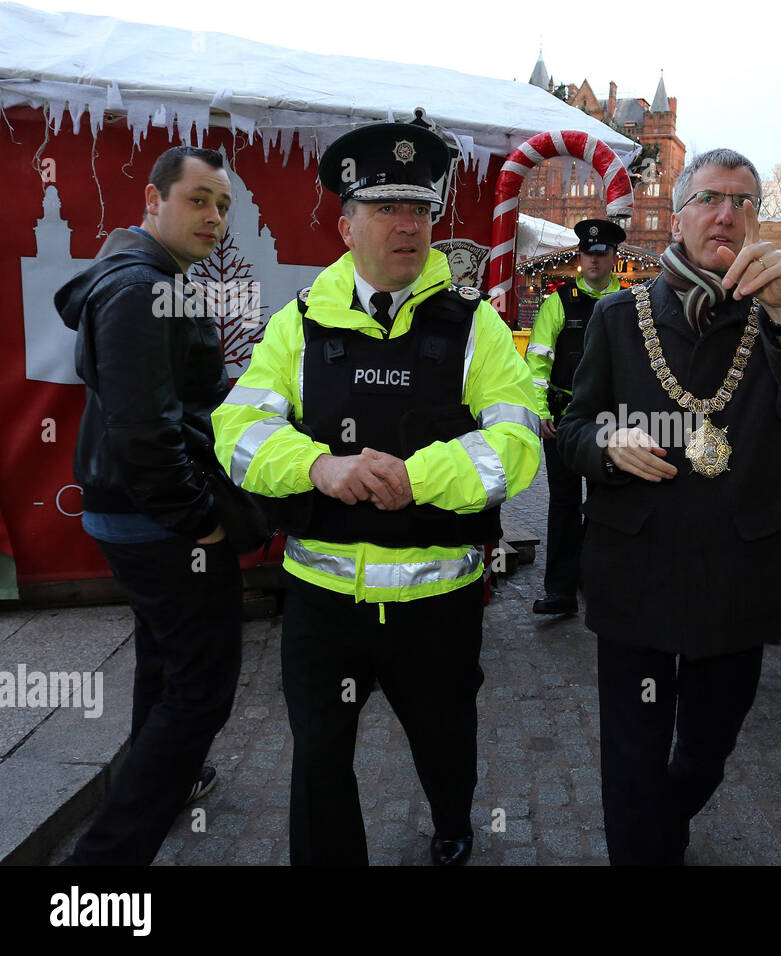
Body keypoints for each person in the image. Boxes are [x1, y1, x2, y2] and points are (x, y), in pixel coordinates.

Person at [212, 119, 541, 865]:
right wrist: (317, 466)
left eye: (421, 210)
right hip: (324, 608)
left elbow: (518, 445)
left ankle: (453, 823)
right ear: (345, 223)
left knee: (446, 741)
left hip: (439, 608)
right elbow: (236, 429)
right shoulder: (296, 326)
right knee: (319, 767)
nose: (409, 226)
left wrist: (416, 477)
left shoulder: (475, 327)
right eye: (388, 209)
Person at [557, 148, 781, 864]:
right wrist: (605, 443)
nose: (728, 213)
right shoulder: (621, 316)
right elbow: (570, 427)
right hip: (638, 562)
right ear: (679, 215)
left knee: (710, 746)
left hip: (742, 570)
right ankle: (642, 850)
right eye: (712, 198)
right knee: (633, 750)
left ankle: (666, 820)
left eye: (745, 201)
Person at [54, 146, 242, 865]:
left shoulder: (148, 278)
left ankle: (173, 775)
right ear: (153, 200)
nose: (214, 217)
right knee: (200, 691)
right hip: (156, 519)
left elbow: (167, 400)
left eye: (222, 205)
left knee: (165, 663)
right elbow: (145, 431)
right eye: (198, 199)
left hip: (131, 510)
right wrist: (204, 521)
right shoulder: (139, 288)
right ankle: (98, 872)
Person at [526, 219, 625, 616]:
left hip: (614, 423)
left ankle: (598, 580)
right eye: (588, 254)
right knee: (564, 506)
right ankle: (561, 591)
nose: (593, 261)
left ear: (614, 258)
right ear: (579, 257)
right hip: (564, 419)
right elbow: (537, 362)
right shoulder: (558, 302)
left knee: (606, 505)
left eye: (601, 255)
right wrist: (539, 411)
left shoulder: (633, 303)